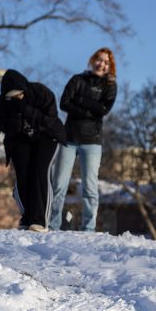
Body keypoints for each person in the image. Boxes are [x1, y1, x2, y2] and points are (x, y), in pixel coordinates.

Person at [50, 47, 119, 231]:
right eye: (99, 59)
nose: (101, 64)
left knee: (90, 187)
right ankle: (53, 224)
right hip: (69, 138)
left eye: (106, 62)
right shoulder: (77, 79)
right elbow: (64, 102)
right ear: (92, 59)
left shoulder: (110, 86)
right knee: (59, 185)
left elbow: (104, 110)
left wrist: (79, 100)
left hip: (92, 141)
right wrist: (90, 110)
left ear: (109, 67)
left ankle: (88, 228)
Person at [0, 69, 66, 232]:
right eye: (12, 97)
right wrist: (16, 118)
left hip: (47, 136)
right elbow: (2, 125)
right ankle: (27, 216)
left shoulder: (41, 93)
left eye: (19, 94)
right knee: (23, 173)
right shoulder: (3, 103)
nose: (16, 98)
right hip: (19, 139)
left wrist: (25, 109)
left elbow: (50, 119)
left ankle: (39, 220)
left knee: (40, 171)